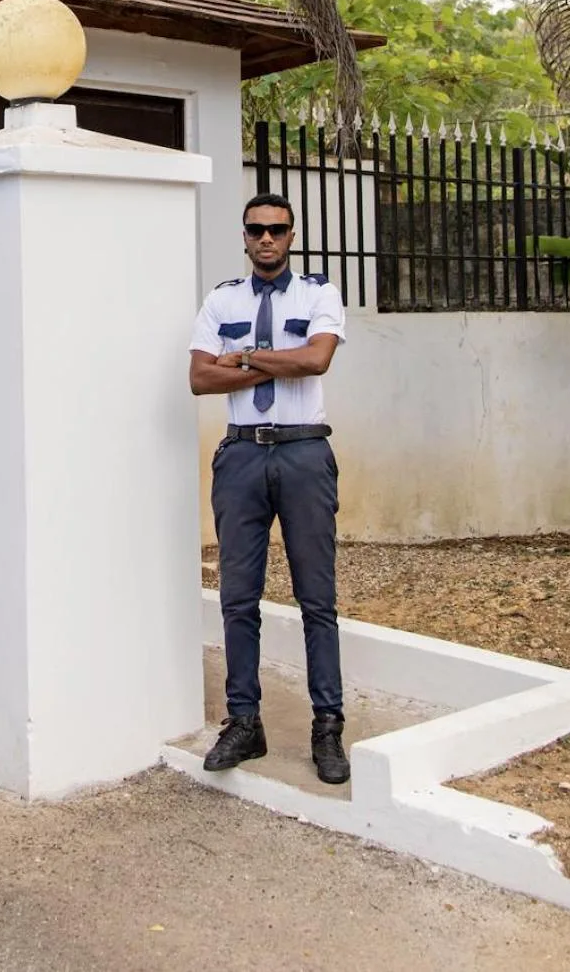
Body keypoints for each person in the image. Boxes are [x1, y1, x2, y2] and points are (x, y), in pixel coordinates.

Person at [189, 193, 349, 784]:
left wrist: (245, 357)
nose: (266, 239)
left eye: (276, 230)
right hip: (241, 457)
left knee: (316, 599)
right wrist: (277, 360)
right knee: (237, 597)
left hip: (304, 451)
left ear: (290, 236)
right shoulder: (221, 299)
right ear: (245, 235)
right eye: (256, 229)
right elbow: (200, 378)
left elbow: (318, 360)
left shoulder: (318, 294)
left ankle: (327, 726)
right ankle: (244, 722)